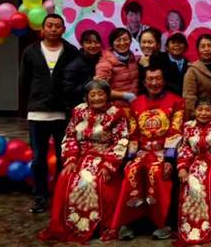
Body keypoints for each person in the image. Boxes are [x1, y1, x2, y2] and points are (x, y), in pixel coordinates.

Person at [39, 80, 130, 242]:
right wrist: (71, 159)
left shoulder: (117, 113)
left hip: (105, 156)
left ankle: (101, 226)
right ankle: (69, 225)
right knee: (66, 178)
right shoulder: (78, 111)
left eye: (101, 94)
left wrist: (109, 165)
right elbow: (70, 136)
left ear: (108, 96)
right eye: (92, 95)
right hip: (81, 156)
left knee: (103, 183)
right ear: (87, 97)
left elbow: (121, 140)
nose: (97, 98)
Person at [112, 67, 185, 241]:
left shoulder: (176, 102)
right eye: (150, 79)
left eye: (158, 78)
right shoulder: (136, 104)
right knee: (132, 171)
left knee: (158, 173)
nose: (154, 83)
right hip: (142, 153)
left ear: (164, 81)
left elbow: (175, 132)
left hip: (164, 152)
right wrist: (130, 158)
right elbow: (133, 135)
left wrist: (169, 160)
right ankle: (130, 222)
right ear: (144, 83)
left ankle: (163, 222)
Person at [20, 14, 81, 213]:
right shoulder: (31, 51)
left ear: (63, 29)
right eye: (50, 26)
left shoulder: (71, 51)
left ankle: (62, 195)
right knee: (39, 158)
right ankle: (39, 196)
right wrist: (31, 104)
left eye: (57, 26)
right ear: (43, 29)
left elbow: (76, 79)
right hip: (37, 114)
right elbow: (25, 81)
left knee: (64, 157)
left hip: (63, 113)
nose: (53, 29)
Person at [175, 97, 211, 245]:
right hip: (193, 163)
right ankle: (189, 227)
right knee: (189, 183)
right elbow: (184, 148)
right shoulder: (188, 127)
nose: (203, 113)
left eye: (208, 110)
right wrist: (182, 168)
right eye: (200, 109)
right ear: (195, 110)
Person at [95, 28, 140, 109]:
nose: (122, 43)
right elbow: (99, 89)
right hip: (114, 109)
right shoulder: (105, 62)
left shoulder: (132, 58)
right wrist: (126, 96)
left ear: (130, 41)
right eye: (118, 40)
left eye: (125, 39)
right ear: (112, 43)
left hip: (133, 108)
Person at [62, 29, 104, 114]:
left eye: (96, 42)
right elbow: (68, 92)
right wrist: (91, 82)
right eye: (89, 42)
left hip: (100, 108)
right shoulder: (74, 64)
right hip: (79, 110)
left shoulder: (103, 61)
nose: (93, 45)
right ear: (82, 44)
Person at [183, 34, 211, 115]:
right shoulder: (193, 70)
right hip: (204, 115)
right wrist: (197, 116)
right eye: (202, 47)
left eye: (209, 46)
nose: (206, 49)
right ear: (198, 50)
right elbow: (189, 98)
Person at [151, 31, 189, 96]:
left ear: (185, 47)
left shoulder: (189, 65)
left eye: (180, 42)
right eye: (173, 42)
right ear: (167, 47)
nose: (176, 45)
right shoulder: (157, 59)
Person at [137, 27, 162, 97]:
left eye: (150, 42)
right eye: (143, 42)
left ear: (158, 44)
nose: (146, 45)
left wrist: (146, 66)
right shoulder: (140, 61)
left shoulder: (165, 59)